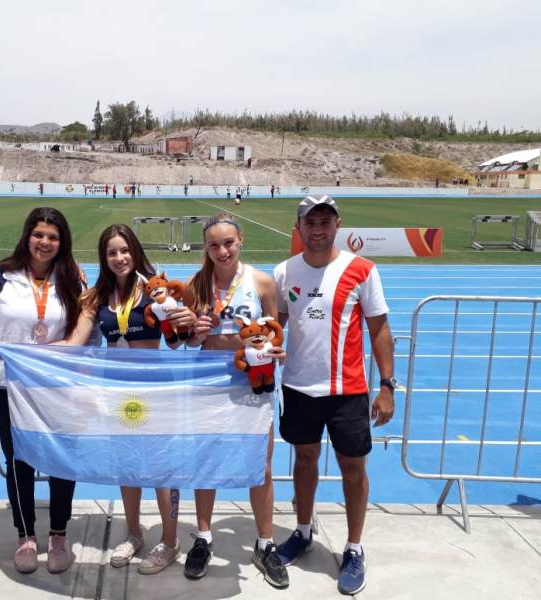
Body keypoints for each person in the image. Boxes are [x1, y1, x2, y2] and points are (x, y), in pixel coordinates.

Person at [273, 195, 394, 595]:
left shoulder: (361, 270)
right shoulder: (283, 271)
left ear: (337, 224)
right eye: (310, 222)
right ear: (299, 228)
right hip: (298, 388)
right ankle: (304, 531)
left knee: (352, 468)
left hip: (348, 390)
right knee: (304, 459)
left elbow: (378, 329)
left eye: (325, 221)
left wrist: (387, 386)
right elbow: (274, 325)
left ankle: (354, 548)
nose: (318, 229)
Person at [0, 207, 83, 575]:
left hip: (56, 386)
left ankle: (58, 534)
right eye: (39, 234)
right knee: (18, 461)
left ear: (63, 243)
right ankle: (25, 535)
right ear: (27, 236)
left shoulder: (72, 279)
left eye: (53, 237)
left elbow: (86, 327)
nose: (45, 242)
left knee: (62, 460)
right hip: (9, 386)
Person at [65, 224, 196, 574]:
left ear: (135, 252)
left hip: (155, 390)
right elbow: (76, 341)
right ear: (104, 258)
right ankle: (134, 533)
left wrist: (183, 321)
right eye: (112, 253)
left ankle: (169, 541)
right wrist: (29, 353)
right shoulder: (96, 296)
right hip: (117, 394)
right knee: (127, 465)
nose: (119, 258)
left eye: (125, 250)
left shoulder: (155, 290)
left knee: (161, 467)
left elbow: (175, 342)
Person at [184, 213, 289, 589]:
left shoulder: (262, 282)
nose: (222, 250)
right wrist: (195, 334)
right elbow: (188, 341)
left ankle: (265, 543)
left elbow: (275, 335)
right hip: (208, 385)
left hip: (251, 387)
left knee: (260, 467)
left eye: (228, 242)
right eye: (214, 245)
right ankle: (203, 537)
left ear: (240, 240)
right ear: (206, 249)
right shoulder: (196, 284)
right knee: (205, 461)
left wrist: (275, 351)